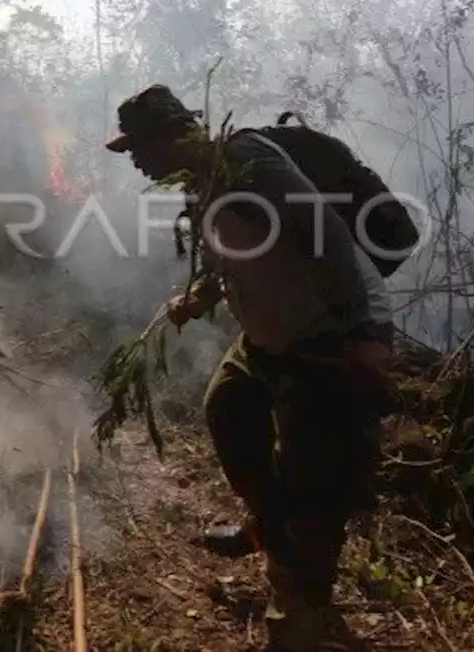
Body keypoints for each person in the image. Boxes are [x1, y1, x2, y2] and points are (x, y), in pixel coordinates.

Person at [105, 85, 398, 651]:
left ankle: (301, 609)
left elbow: (325, 234)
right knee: (229, 409)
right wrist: (199, 296)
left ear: (172, 134)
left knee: (314, 481)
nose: (137, 160)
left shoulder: (246, 163)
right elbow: (240, 256)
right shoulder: (206, 183)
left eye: (139, 146)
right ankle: (267, 522)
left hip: (326, 338)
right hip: (270, 337)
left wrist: (362, 334)